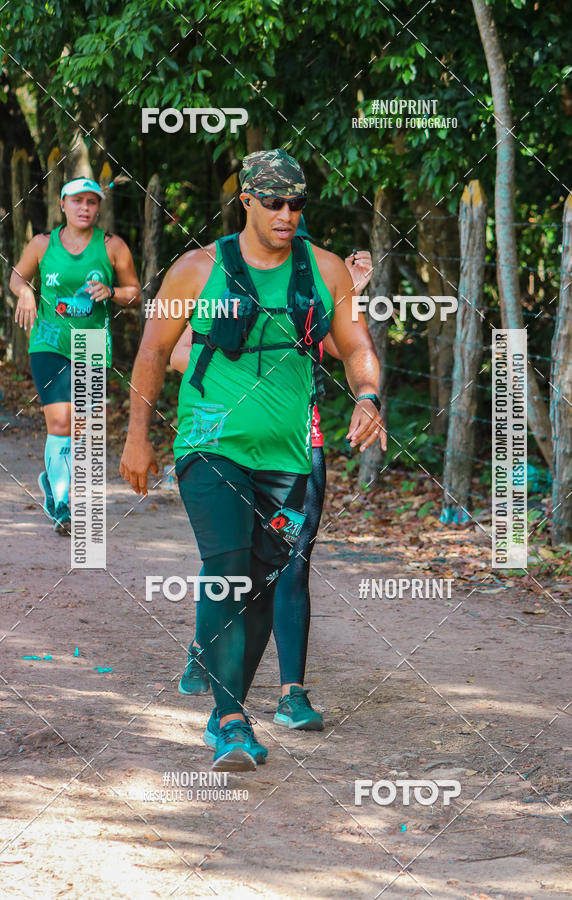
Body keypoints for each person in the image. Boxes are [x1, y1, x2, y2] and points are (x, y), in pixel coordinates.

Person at [120, 148, 386, 772]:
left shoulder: (324, 270)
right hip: (209, 443)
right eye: (274, 203)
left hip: (290, 455)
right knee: (228, 563)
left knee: (268, 577)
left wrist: (368, 395)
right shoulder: (195, 269)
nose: (287, 214)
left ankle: (226, 708)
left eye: (297, 203)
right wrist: (137, 437)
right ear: (247, 201)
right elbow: (153, 353)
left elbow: (356, 346)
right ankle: (232, 721)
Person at [171, 220, 373, 734]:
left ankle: (292, 693)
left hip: (301, 447)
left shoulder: (315, 282)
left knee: (291, 565)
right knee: (229, 560)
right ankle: (211, 660)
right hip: (227, 444)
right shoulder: (219, 278)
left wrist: (341, 298)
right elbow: (176, 352)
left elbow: (343, 348)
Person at [11, 176, 141, 534]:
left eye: (92, 202)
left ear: (99, 207)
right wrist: (24, 292)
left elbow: (135, 294)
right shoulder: (42, 244)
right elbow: (16, 277)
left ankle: (53, 482)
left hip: (93, 345)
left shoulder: (113, 246)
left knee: (82, 429)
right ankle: (64, 506)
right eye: (77, 201)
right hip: (49, 343)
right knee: (60, 424)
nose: (85, 208)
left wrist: (112, 291)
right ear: (62, 205)